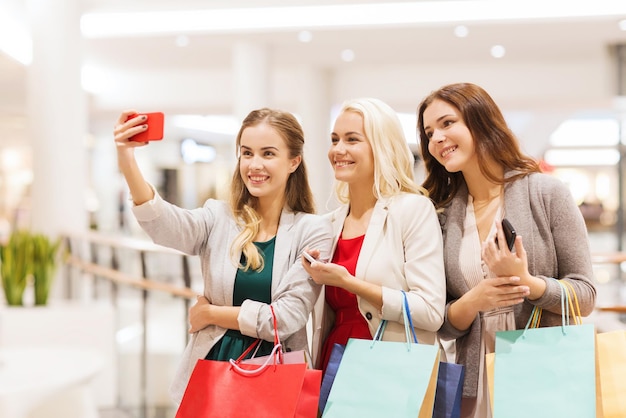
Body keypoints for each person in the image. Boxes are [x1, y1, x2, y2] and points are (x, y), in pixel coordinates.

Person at [113, 107, 334, 405]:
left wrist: (211, 314)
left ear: (294, 161)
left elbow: (284, 318)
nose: (255, 164)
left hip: (274, 378)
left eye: (268, 153)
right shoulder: (218, 217)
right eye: (247, 153)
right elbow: (165, 226)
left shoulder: (313, 230)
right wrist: (127, 159)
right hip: (212, 370)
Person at [417, 82, 597, 418]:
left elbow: (585, 295)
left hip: (544, 373)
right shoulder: (441, 213)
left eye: (447, 123)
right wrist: (474, 300)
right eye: (429, 132)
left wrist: (527, 282)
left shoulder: (546, 193)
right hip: (474, 380)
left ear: (480, 120)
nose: (436, 139)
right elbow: (440, 319)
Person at [305, 98, 446, 375]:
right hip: (334, 366)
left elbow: (430, 312)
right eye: (334, 140)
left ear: (381, 147)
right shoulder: (327, 225)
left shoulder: (412, 210)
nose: (338, 150)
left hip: (393, 373)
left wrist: (350, 283)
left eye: (352, 139)